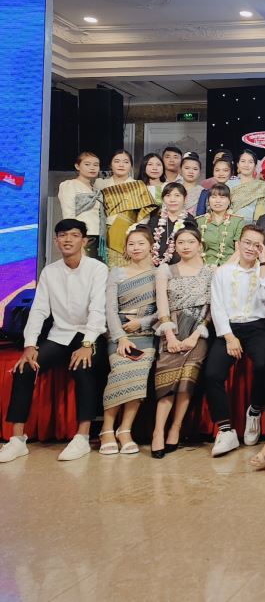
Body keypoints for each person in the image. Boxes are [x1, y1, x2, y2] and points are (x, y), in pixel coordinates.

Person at [0, 220, 109, 464]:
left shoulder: (97, 269)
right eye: (62, 235)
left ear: (84, 240)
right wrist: (30, 345)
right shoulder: (50, 272)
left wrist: (87, 345)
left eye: (74, 235)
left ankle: (82, 437)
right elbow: (39, 310)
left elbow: (97, 310)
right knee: (24, 368)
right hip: (59, 335)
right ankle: (17, 440)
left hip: (89, 334)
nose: (68, 239)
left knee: (83, 366)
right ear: (56, 240)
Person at [205, 225, 265, 457]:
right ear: (238, 244)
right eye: (247, 242)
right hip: (229, 327)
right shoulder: (222, 272)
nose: (251, 248)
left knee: (264, 365)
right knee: (212, 374)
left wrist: (263, 264)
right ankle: (226, 431)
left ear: (262, 249)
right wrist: (229, 337)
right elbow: (217, 307)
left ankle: (254, 410)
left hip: (258, 326)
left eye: (257, 245)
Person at [150, 228, 213, 458]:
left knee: (186, 382)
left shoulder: (211, 271)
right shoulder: (165, 270)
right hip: (172, 328)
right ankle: (158, 431)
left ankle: (175, 428)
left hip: (198, 330)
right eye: (180, 242)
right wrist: (170, 336)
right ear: (174, 246)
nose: (185, 246)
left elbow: (211, 308)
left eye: (191, 242)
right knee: (166, 383)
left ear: (200, 245)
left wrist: (195, 336)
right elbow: (162, 304)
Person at [97, 226, 158, 456]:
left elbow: (163, 310)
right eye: (131, 244)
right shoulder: (117, 273)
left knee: (138, 376)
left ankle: (125, 430)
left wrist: (141, 322)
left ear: (151, 246)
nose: (136, 248)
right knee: (119, 373)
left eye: (141, 243)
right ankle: (106, 430)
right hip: (119, 333)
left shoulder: (159, 273)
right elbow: (110, 309)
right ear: (125, 248)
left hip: (146, 334)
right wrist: (120, 337)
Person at [99, 149, 156, 267]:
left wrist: (133, 236)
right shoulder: (101, 185)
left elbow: (144, 214)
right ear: (110, 165)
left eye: (126, 162)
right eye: (117, 161)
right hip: (105, 234)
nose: (121, 165)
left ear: (131, 166)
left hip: (129, 234)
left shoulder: (138, 185)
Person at [58, 151, 103, 258]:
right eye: (87, 164)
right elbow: (68, 214)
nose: (92, 168)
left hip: (99, 236)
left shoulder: (96, 189)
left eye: (96, 165)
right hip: (83, 236)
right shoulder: (69, 185)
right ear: (77, 166)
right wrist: (74, 238)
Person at [146, 183, 198, 267]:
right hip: (154, 266)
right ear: (163, 199)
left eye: (177, 195)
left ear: (185, 199)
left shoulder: (190, 221)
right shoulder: (155, 220)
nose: (172, 199)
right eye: (168, 195)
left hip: (181, 266)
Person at [197, 184, 244, 267]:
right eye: (213, 197)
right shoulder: (199, 221)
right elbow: (196, 250)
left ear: (229, 201)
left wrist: (223, 269)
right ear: (208, 200)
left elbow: (239, 251)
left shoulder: (238, 221)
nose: (217, 201)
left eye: (222, 197)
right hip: (205, 266)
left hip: (230, 266)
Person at [230, 149, 265, 223]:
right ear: (237, 164)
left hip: (253, 226)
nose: (246, 165)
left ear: (255, 166)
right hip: (230, 224)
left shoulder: (262, 186)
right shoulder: (229, 184)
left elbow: (261, 211)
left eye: (250, 162)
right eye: (243, 161)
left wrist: (255, 226)